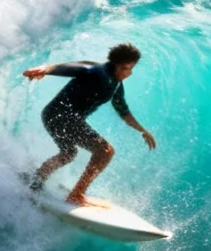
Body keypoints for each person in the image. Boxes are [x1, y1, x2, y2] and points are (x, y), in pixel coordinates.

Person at [22, 42, 157, 209]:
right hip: (61, 116)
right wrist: (46, 69)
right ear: (119, 66)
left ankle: (36, 181)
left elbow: (123, 111)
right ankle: (76, 195)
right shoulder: (97, 71)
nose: (130, 72)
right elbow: (75, 67)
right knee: (105, 151)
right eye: (129, 68)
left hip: (55, 116)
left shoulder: (115, 84)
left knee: (68, 153)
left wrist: (142, 130)